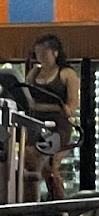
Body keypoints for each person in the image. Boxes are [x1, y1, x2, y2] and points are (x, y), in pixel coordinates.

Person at [23, 34, 80, 205]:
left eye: (44, 52)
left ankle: (53, 206)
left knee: (39, 160)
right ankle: (38, 204)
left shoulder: (67, 74)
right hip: (35, 125)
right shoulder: (34, 73)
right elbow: (24, 97)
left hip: (58, 127)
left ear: (55, 53)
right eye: (37, 53)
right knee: (39, 166)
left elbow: (71, 107)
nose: (40, 56)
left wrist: (44, 107)